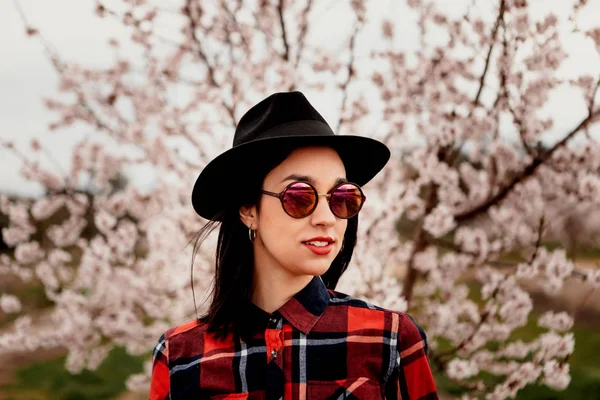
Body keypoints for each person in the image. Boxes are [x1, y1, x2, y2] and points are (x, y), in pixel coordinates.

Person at [150, 92, 438, 399]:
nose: (326, 219)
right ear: (249, 210)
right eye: (300, 196)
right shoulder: (179, 357)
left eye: (342, 198)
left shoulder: (391, 340)